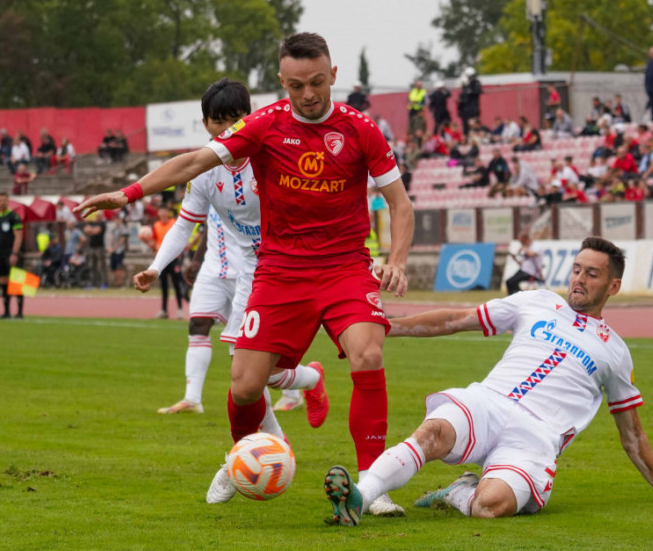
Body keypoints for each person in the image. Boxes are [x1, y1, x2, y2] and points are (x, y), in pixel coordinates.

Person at [74, 33, 414, 515]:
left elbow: (400, 204)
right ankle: (241, 458)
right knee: (245, 384)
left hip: (344, 268)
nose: (309, 94)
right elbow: (193, 161)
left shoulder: (361, 129)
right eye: (297, 85)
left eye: (317, 82)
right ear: (282, 81)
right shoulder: (264, 124)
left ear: (333, 75)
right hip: (280, 271)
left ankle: (373, 486)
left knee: (368, 354)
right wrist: (127, 194)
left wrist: (396, 259)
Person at [323, 236, 653, 526]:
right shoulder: (538, 301)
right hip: (489, 402)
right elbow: (456, 320)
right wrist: (389, 327)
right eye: (577, 269)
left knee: (489, 507)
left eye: (592, 274)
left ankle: (459, 491)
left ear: (612, 286)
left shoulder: (616, 352)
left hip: (537, 436)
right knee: (432, 433)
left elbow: (633, 436)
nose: (579, 279)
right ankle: (360, 497)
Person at [136, 79, 328, 423]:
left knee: (253, 372)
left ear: (250, 118)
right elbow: (184, 225)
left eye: (235, 120)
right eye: (218, 121)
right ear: (206, 124)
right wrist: (156, 267)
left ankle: (278, 434)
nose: (227, 130)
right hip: (253, 271)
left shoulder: (272, 155)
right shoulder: (205, 173)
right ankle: (295, 408)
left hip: (293, 265)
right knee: (247, 372)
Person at [0, 192, 25, 319]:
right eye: (0, 200)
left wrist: (14, 253)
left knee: (17, 281)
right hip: (0, 253)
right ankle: (6, 312)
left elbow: (18, 236)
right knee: (3, 281)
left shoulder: (14, 217)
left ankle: (20, 312)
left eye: (4, 200)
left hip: (11, 252)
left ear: (8, 201)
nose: (2, 202)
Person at [108, 214, 130, 287]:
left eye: (118, 219)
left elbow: (122, 239)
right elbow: (112, 238)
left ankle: (121, 282)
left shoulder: (123, 228)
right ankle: (118, 281)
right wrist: (111, 247)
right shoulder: (114, 229)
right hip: (113, 250)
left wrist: (115, 247)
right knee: (113, 267)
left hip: (120, 250)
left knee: (119, 267)